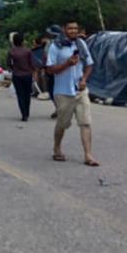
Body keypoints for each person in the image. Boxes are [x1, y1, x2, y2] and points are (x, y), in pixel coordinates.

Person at [45, 20, 99, 166]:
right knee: (62, 124)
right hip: (63, 92)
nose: (74, 31)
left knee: (85, 123)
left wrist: (84, 79)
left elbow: (89, 64)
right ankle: (57, 148)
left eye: (75, 28)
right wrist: (67, 64)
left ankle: (88, 155)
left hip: (80, 91)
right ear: (64, 29)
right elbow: (50, 69)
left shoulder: (81, 44)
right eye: (70, 28)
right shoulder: (56, 46)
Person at [7, 33, 36, 121]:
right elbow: (32, 63)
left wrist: (13, 68)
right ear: (23, 41)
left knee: (20, 95)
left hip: (17, 75)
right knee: (27, 94)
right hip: (27, 75)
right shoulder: (28, 51)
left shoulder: (11, 52)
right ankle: (27, 112)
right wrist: (33, 71)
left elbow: (9, 63)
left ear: (14, 42)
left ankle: (23, 114)